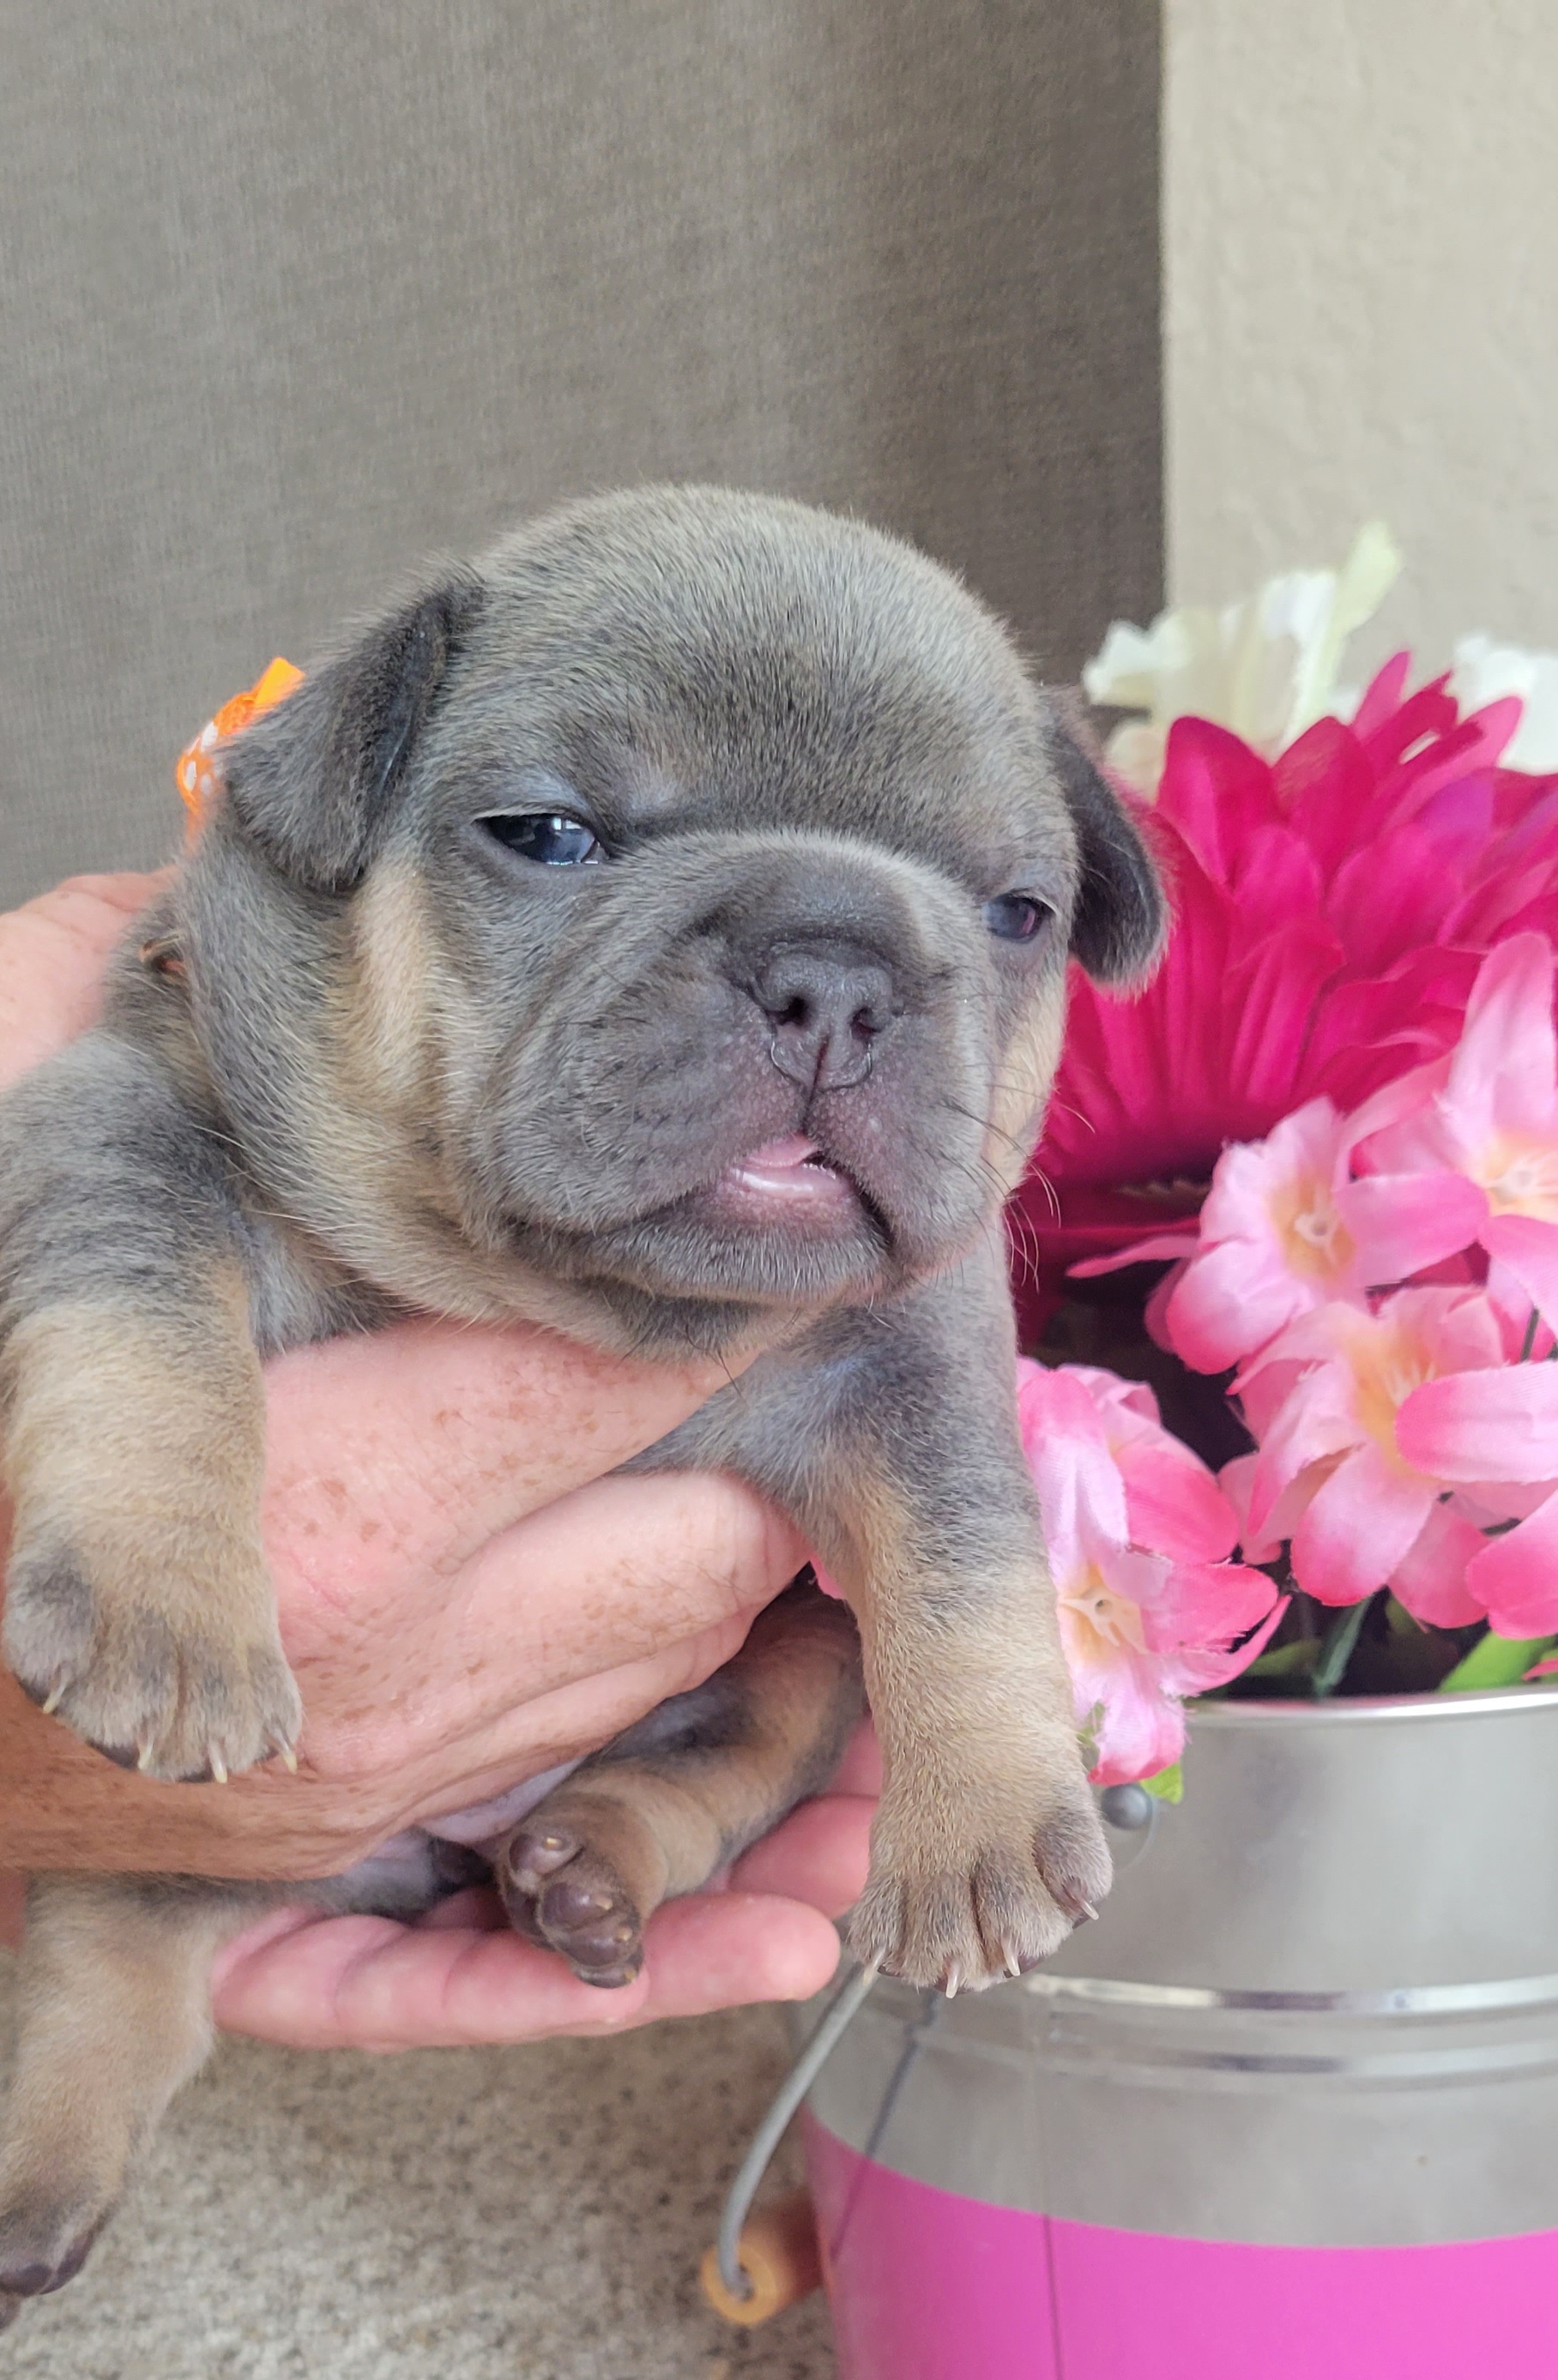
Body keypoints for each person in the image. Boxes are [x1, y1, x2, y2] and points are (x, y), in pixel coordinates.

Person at [0, 871, 878, 2052]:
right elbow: (122, 1203)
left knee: (814, 1666)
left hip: (644, 1711)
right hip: (204, 1780)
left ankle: (646, 1818)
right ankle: (122, 1978)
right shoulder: (233, 1006)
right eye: (553, 843)